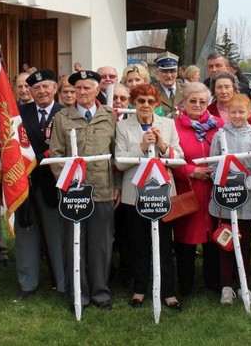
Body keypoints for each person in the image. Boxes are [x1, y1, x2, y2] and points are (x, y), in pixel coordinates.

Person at [49, 70, 118, 310]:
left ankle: (100, 292)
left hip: (102, 190)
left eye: (87, 88)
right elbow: (56, 154)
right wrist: (67, 183)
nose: (82, 92)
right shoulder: (62, 118)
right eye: (78, 88)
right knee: (74, 243)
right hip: (74, 192)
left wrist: (116, 186)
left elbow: (116, 155)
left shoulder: (109, 116)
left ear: (97, 90)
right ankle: (78, 292)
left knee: (101, 244)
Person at [115, 85, 183, 311]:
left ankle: (168, 292)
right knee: (138, 244)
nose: (145, 105)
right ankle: (140, 289)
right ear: (133, 103)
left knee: (164, 243)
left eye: (150, 101)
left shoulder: (169, 124)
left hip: (162, 193)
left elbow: (179, 158)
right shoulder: (123, 126)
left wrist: (162, 145)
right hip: (134, 194)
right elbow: (120, 161)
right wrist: (142, 147)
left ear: (156, 104)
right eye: (141, 100)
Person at [209, 94, 251, 306]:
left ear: (249, 113)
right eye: (233, 112)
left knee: (244, 243)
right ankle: (226, 287)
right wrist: (221, 181)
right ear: (228, 113)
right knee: (226, 242)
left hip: (246, 198)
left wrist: (248, 183)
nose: (237, 115)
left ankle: (245, 286)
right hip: (224, 197)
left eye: (242, 112)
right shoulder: (220, 135)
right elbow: (214, 165)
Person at [14, 69, 66, 298]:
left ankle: (63, 281)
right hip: (25, 182)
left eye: (46, 86)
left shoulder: (65, 114)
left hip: (54, 184)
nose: (41, 91)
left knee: (58, 235)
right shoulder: (18, 113)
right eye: (36, 88)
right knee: (26, 232)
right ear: (30, 91)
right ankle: (28, 282)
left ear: (55, 88)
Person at [172, 82, 223, 296]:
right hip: (188, 189)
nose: (198, 105)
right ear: (183, 102)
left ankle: (214, 281)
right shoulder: (173, 126)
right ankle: (185, 285)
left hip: (213, 191)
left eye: (203, 101)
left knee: (214, 237)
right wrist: (192, 170)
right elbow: (170, 158)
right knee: (186, 240)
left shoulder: (218, 125)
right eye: (193, 100)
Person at [154, 52, 185, 118]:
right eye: (165, 71)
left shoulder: (186, 90)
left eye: (172, 71)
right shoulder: (152, 91)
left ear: (177, 72)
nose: (169, 75)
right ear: (158, 72)